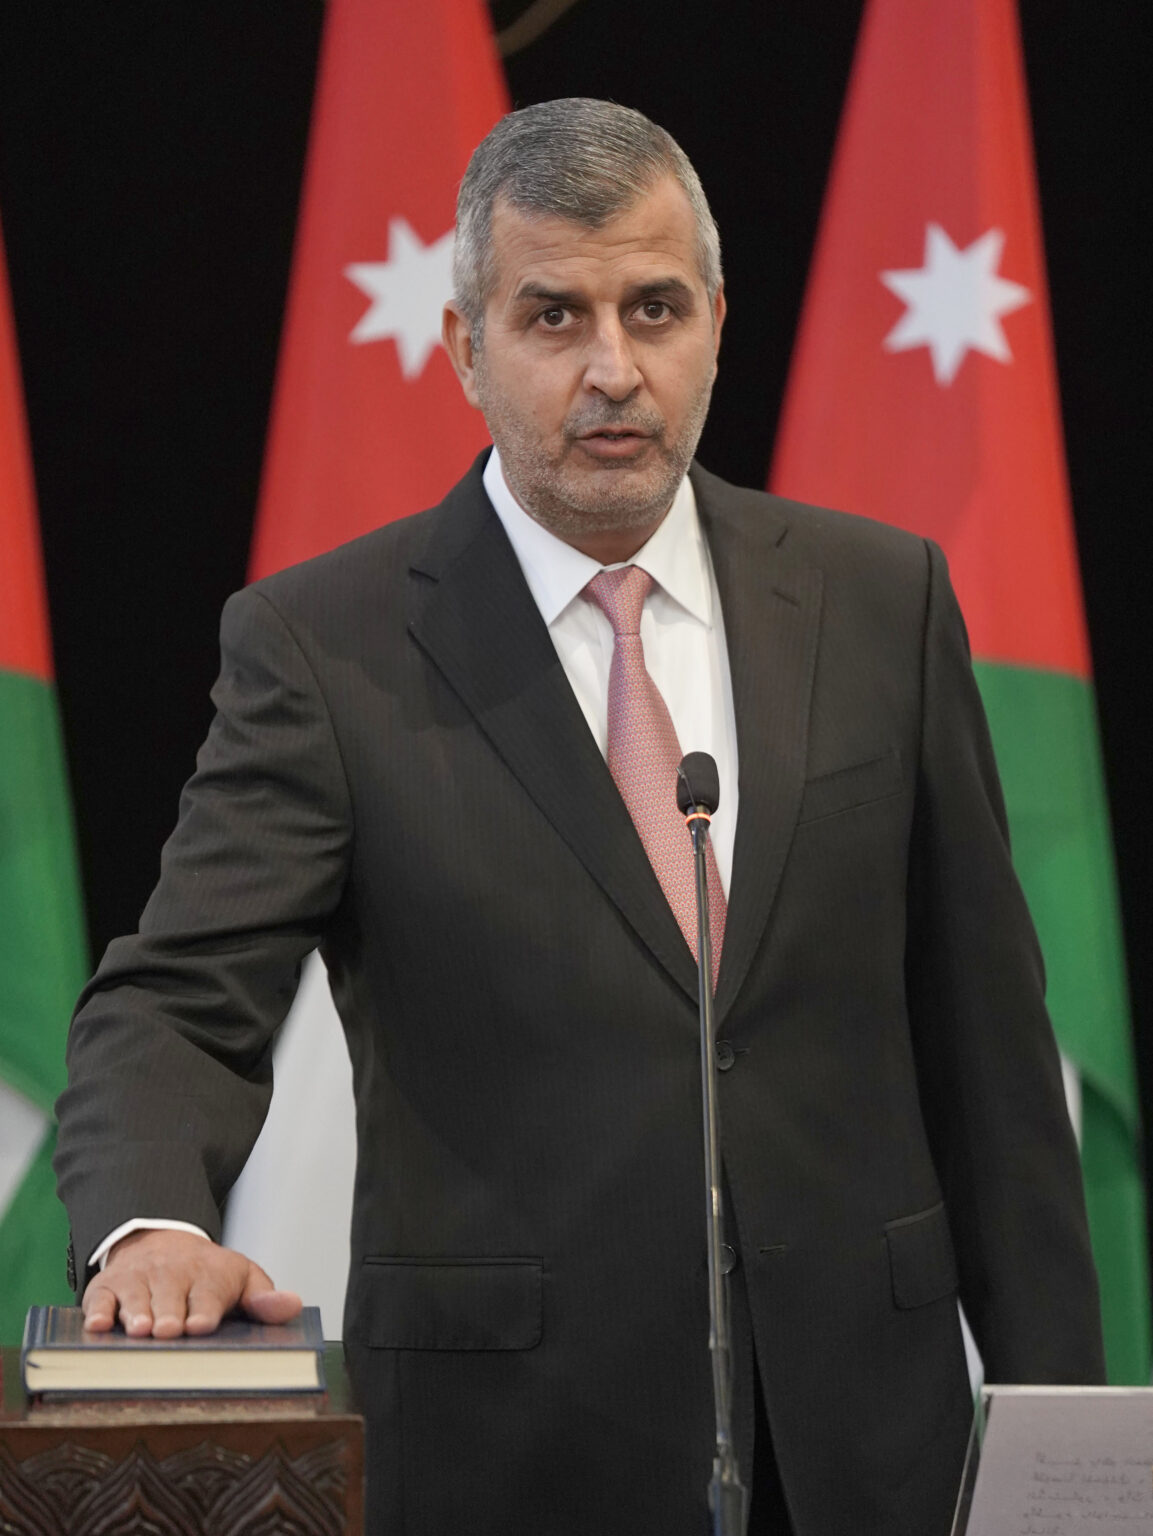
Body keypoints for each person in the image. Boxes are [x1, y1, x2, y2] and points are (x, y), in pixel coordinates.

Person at [55, 98, 1104, 1535]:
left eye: (653, 309)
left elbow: (986, 1048)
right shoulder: (327, 645)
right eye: (553, 315)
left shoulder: (881, 599)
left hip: (863, 1447)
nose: (614, 369)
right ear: (464, 347)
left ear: (716, 325)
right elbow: (175, 1000)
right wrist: (152, 1222)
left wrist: (1065, 1448)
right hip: (509, 1451)